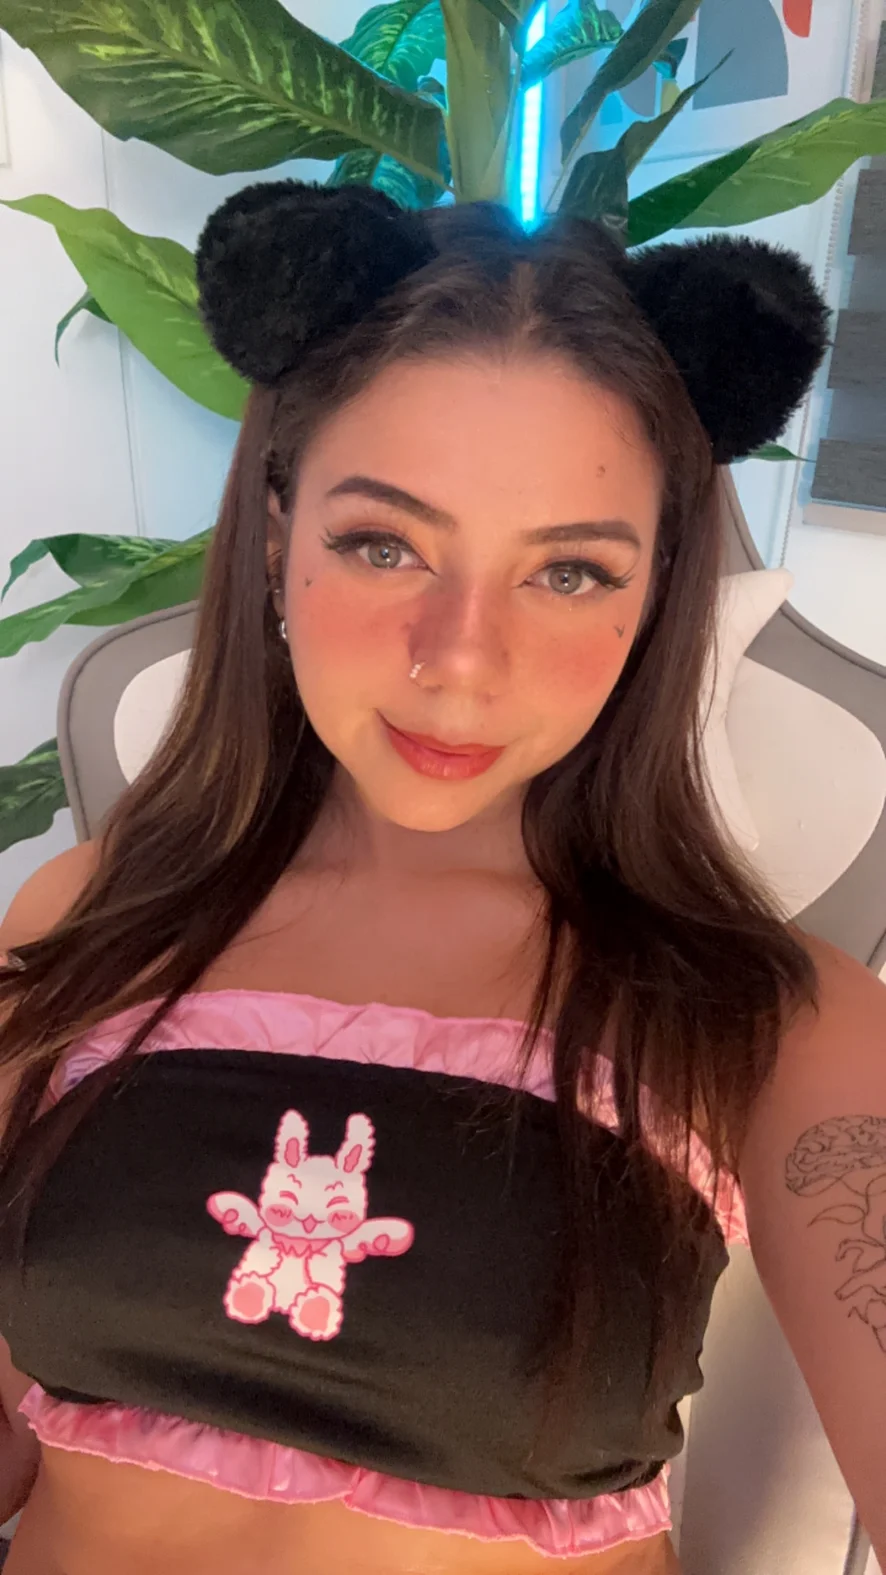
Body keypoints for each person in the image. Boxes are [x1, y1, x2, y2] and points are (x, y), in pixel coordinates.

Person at [0, 183, 882, 1575]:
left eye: (570, 573)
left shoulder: (776, 1024)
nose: (460, 657)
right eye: (383, 544)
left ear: (658, 593)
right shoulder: (88, 924)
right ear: (278, 535)